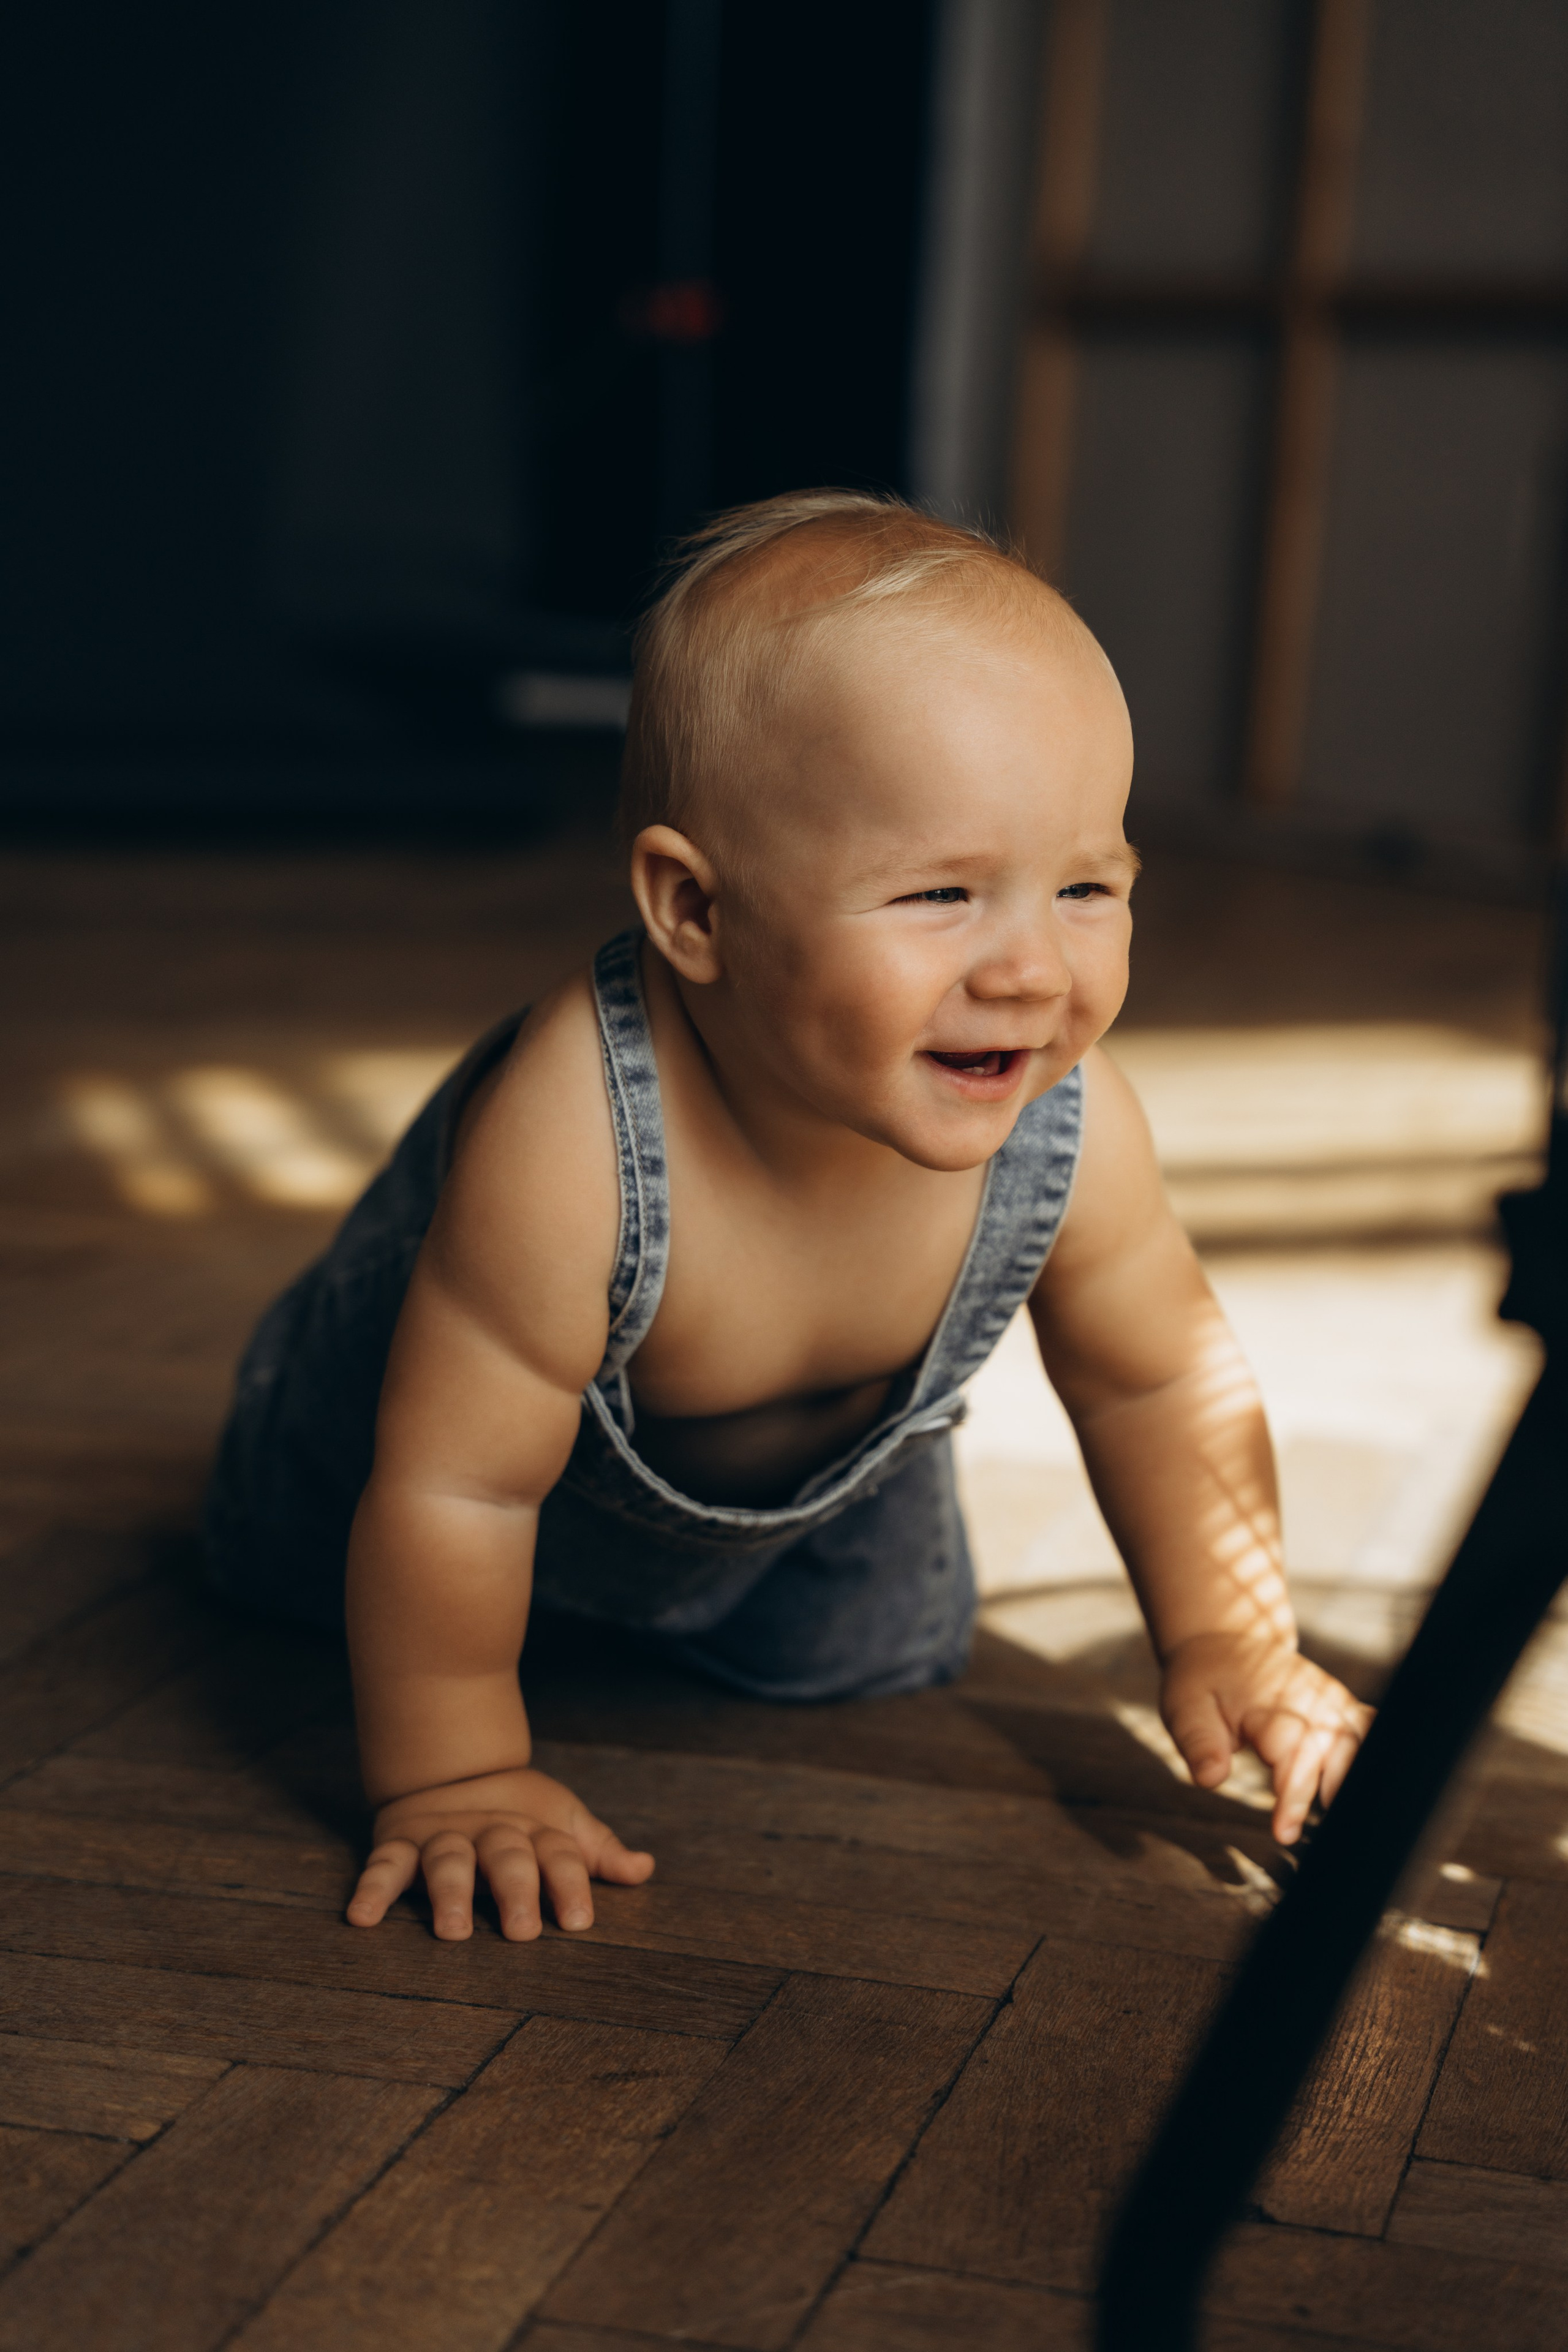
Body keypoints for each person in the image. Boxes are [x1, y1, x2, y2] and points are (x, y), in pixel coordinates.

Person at [206, 490, 1371, 1945]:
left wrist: (1232, 1637)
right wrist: (459, 1774)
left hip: (796, 1535)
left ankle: (689, 1623)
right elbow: (460, 1487)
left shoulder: (1072, 1122)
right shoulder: (575, 1126)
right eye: (940, 893)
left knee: (882, 1656)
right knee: (319, 1592)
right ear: (694, 914)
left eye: (1085, 885)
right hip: (403, 1489)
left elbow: (1156, 1375)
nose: (1027, 969)